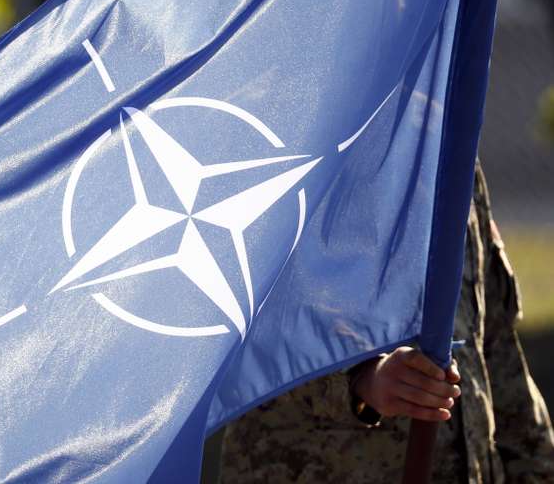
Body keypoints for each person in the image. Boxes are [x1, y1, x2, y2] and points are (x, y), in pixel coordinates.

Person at [218, 163, 554, 483]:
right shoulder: (296, 146)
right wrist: (360, 380)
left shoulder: (452, 140)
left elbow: (494, 350)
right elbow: (239, 331)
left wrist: (536, 466)